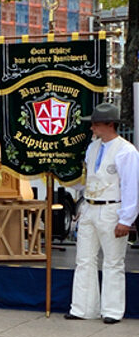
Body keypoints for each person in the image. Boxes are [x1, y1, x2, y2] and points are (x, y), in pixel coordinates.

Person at [68, 103, 138, 323]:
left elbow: (131, 186)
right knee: (84, 259)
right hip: (90, 205)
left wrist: (126, 219)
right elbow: (90, 178)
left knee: (113, 261)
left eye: (96, 124)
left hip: (111, 208)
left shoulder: (127, 151)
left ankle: (112, 310)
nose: (92, 129)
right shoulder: (93, 147)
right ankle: (82, 307)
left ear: (110, 124)